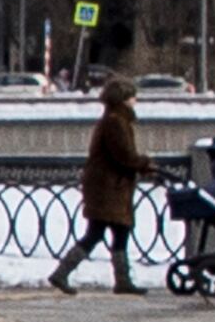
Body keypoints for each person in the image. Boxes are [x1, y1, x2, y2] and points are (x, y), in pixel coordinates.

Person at [48, 75, 150, 294]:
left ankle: (118, 280)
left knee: (110, 231)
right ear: (123, 99)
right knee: (103, 231)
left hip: (107, 186)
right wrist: (143, 163)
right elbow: (123, 155)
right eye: (132, 97)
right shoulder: (116, 121)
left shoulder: (113, 119)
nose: (135, 101)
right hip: (109, 187)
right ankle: (64, 274)